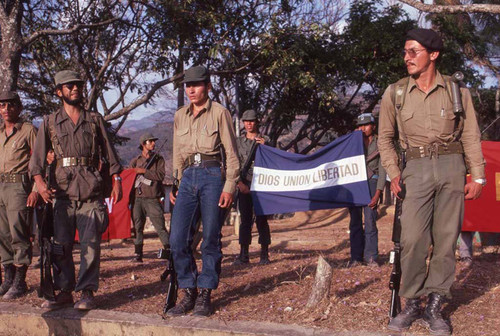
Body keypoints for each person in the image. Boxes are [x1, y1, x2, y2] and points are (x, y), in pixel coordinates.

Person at [378, 29, 485, 335]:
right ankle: (411, 302)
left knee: (446, 239)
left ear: (433, 54)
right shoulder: (395, 93)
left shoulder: (456, 91)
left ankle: (435, 305)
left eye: (414, 52)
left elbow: (470, 135)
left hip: (452, 166)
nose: (407, 58)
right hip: (415, 168)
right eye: (405, 52)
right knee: (411, 240)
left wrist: (477, 174)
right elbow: (385, 139)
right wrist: (394, 173)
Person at [29, 70, 123, 310]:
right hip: (62, 194)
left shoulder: (94, 119)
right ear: (59, 92)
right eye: (69, 86)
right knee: (61, 245)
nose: (75, 89)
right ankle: (64, 291)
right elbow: (37, 161)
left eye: (78, 85)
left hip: (91, 190)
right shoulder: (49, 122)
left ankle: (87, 291)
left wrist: (116, 180)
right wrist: (39, 185)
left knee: (90, 245)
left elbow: (110, 154)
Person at [168, 65, 239, 316]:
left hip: (211, 175)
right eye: (188, 85)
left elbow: (231, 154)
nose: (191, 89)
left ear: (208, 86)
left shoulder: (220, 113)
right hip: (187, 177)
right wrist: (176, 183)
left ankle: (205, 292)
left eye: (196, 85)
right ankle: (188, 290)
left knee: (210, 237)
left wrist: (229, 186)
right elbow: (177, 153)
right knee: (177, 240)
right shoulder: (179, 115)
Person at [0, 91, 38, 299]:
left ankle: (20, 281)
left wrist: (35, 190)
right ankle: (8, 278)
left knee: (18, 233)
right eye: (3, 106)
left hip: (18, 187)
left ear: (19, 108)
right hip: (0, 187)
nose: (6, 109)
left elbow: (40, 161)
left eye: (11, 105)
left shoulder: (28, 130)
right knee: (3, 234)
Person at [347, 113, 387, 268]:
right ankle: (356, 257)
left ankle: (371, 257)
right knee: (355, 222)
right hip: (355, 184)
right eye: (360, 125)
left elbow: (383, 170)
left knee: (370, 221)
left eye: (366, 125)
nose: (362, 128)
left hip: (372, 182)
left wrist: (378, 193)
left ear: (373, 126)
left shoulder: (380, 143)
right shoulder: (352, 143)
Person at [233, 109, 271, 265]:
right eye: (246, 121)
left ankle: (264, 254)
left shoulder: (266, 140)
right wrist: (239, 183)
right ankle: (244, 254)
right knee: (245, 220)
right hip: (244, 183)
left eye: (252, 121)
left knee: (262, 219)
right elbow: (233, 163)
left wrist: (266, 147)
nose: (249, 124)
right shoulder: (238, 142)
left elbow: (274, 159)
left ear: (257, 122)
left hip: (261, 183)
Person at [129, 132, 169, 262]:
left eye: (153, 141)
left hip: (152, 197)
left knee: (160, 227)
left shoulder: (158, 159)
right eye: (150, 141)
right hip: (137, 198)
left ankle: (169, 251)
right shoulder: (135, 161)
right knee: (138, 227)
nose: (153, 143)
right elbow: (129, 179)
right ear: (143, 144)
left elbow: (160, 176)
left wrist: (144, 171)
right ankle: (138, 254)